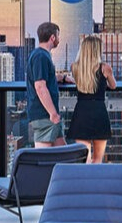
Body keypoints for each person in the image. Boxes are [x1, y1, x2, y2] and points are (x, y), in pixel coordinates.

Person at [66, 34, 116, 162]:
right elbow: (113, 85)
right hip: (99, 111)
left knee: (84, 159)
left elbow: (79, 81)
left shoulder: (75, 67)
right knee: (97, 160)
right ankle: (96, 182)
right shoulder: (105, 68)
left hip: (81, 112)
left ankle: (84, 181)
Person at [26, 22, 64, 147]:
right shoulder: (40, 56)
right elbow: (40, 86)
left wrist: (62, 78)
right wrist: (53, 113)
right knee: (44, 157)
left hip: (49, 116)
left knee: (63, 154)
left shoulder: (41, 55)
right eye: (58, 36)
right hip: (45, 115)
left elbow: (45, 78)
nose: (59, 39)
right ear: (52, 37)